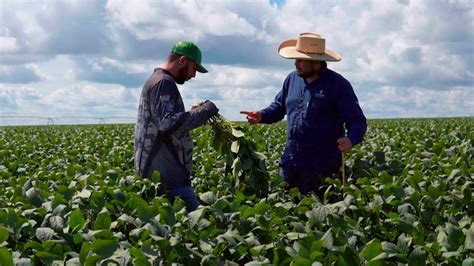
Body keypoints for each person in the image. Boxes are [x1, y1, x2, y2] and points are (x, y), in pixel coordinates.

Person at [241, 33, 367, 196]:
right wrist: (261, 116)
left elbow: (357, 120)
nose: (296, 63)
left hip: (322, 166)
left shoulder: (338, 85)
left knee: (319, 212)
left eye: (301, 59)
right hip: (290, 162)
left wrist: (351, 139)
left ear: (316, 62)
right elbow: (279, 107)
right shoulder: (292, 79)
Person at [134, 41, 218, 211]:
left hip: (163, 171)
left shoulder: (158, 80)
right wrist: (205, 111)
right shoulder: (163, 82)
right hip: (167, 174)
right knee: (193, 227)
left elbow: (165, 120)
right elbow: (167, 124)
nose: (193, 75)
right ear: (182, 60)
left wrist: (192, 113)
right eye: (193, 68)